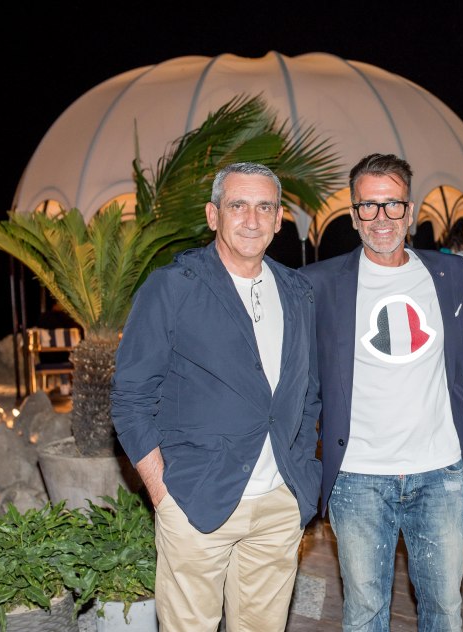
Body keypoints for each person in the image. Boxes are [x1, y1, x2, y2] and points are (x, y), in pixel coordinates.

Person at [110, 162, 322, 631]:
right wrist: (163, 493)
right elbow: (130, 397)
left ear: (279, 218)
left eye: (264, 207)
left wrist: (301, 478)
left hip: (279, 502)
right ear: (213, 215)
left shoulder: (297, 290)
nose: (252, 219)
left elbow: (308, 393)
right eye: (238, 205)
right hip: (195, 498)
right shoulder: (173, 287)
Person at [301, 152, 463, 631]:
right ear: (354, 214)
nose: (381, 218)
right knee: (364, 612)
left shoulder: (451, 274)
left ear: (411, 210)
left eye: (393, 204)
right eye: (369, 206)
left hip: (440, 473)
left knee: (444, 609)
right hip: (358, 476)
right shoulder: (318, 284)